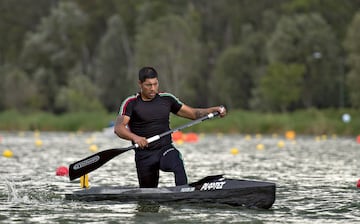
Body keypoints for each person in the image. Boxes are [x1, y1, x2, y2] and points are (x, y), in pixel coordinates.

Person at [114, 66, 227, 188]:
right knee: (149, 198)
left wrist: (214, 110)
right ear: (140, 84)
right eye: (148, 85)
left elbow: (194, 114)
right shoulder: (131, 103)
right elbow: (119, 128)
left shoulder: (167, 99)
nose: (153, 89)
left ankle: (184, 194)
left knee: (177, 163)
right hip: (144, 156)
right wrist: (136, 138)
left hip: (165, 149)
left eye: (155, 84)